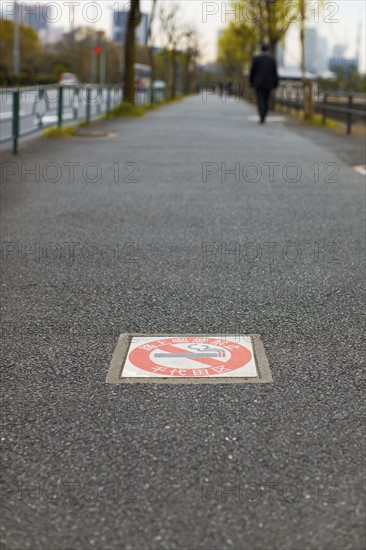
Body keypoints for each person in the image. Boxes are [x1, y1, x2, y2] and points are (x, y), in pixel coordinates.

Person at [250, 44, 279, 124]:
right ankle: (264, 115)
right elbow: (275, 73)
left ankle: (262, 115)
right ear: (268, 49)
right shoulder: (272, 59)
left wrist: (251, 82)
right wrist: (276, 83)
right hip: (269, 83)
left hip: (258, 83)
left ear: (261, 49)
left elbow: (252, 71)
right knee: (266, 99)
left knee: (260, 100)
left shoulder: (256, 59)